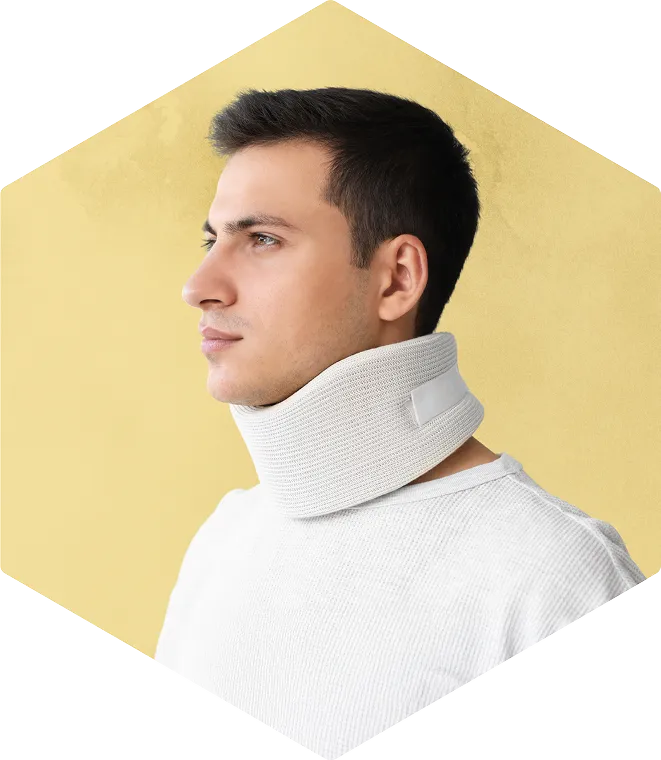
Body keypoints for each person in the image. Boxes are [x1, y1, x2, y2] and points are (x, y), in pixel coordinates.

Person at [155, 87, 646, 760]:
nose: (199, 285)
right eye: (213, 240)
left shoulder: (550, 577)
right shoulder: (226, 539)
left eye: (262, 239)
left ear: (397, 279)